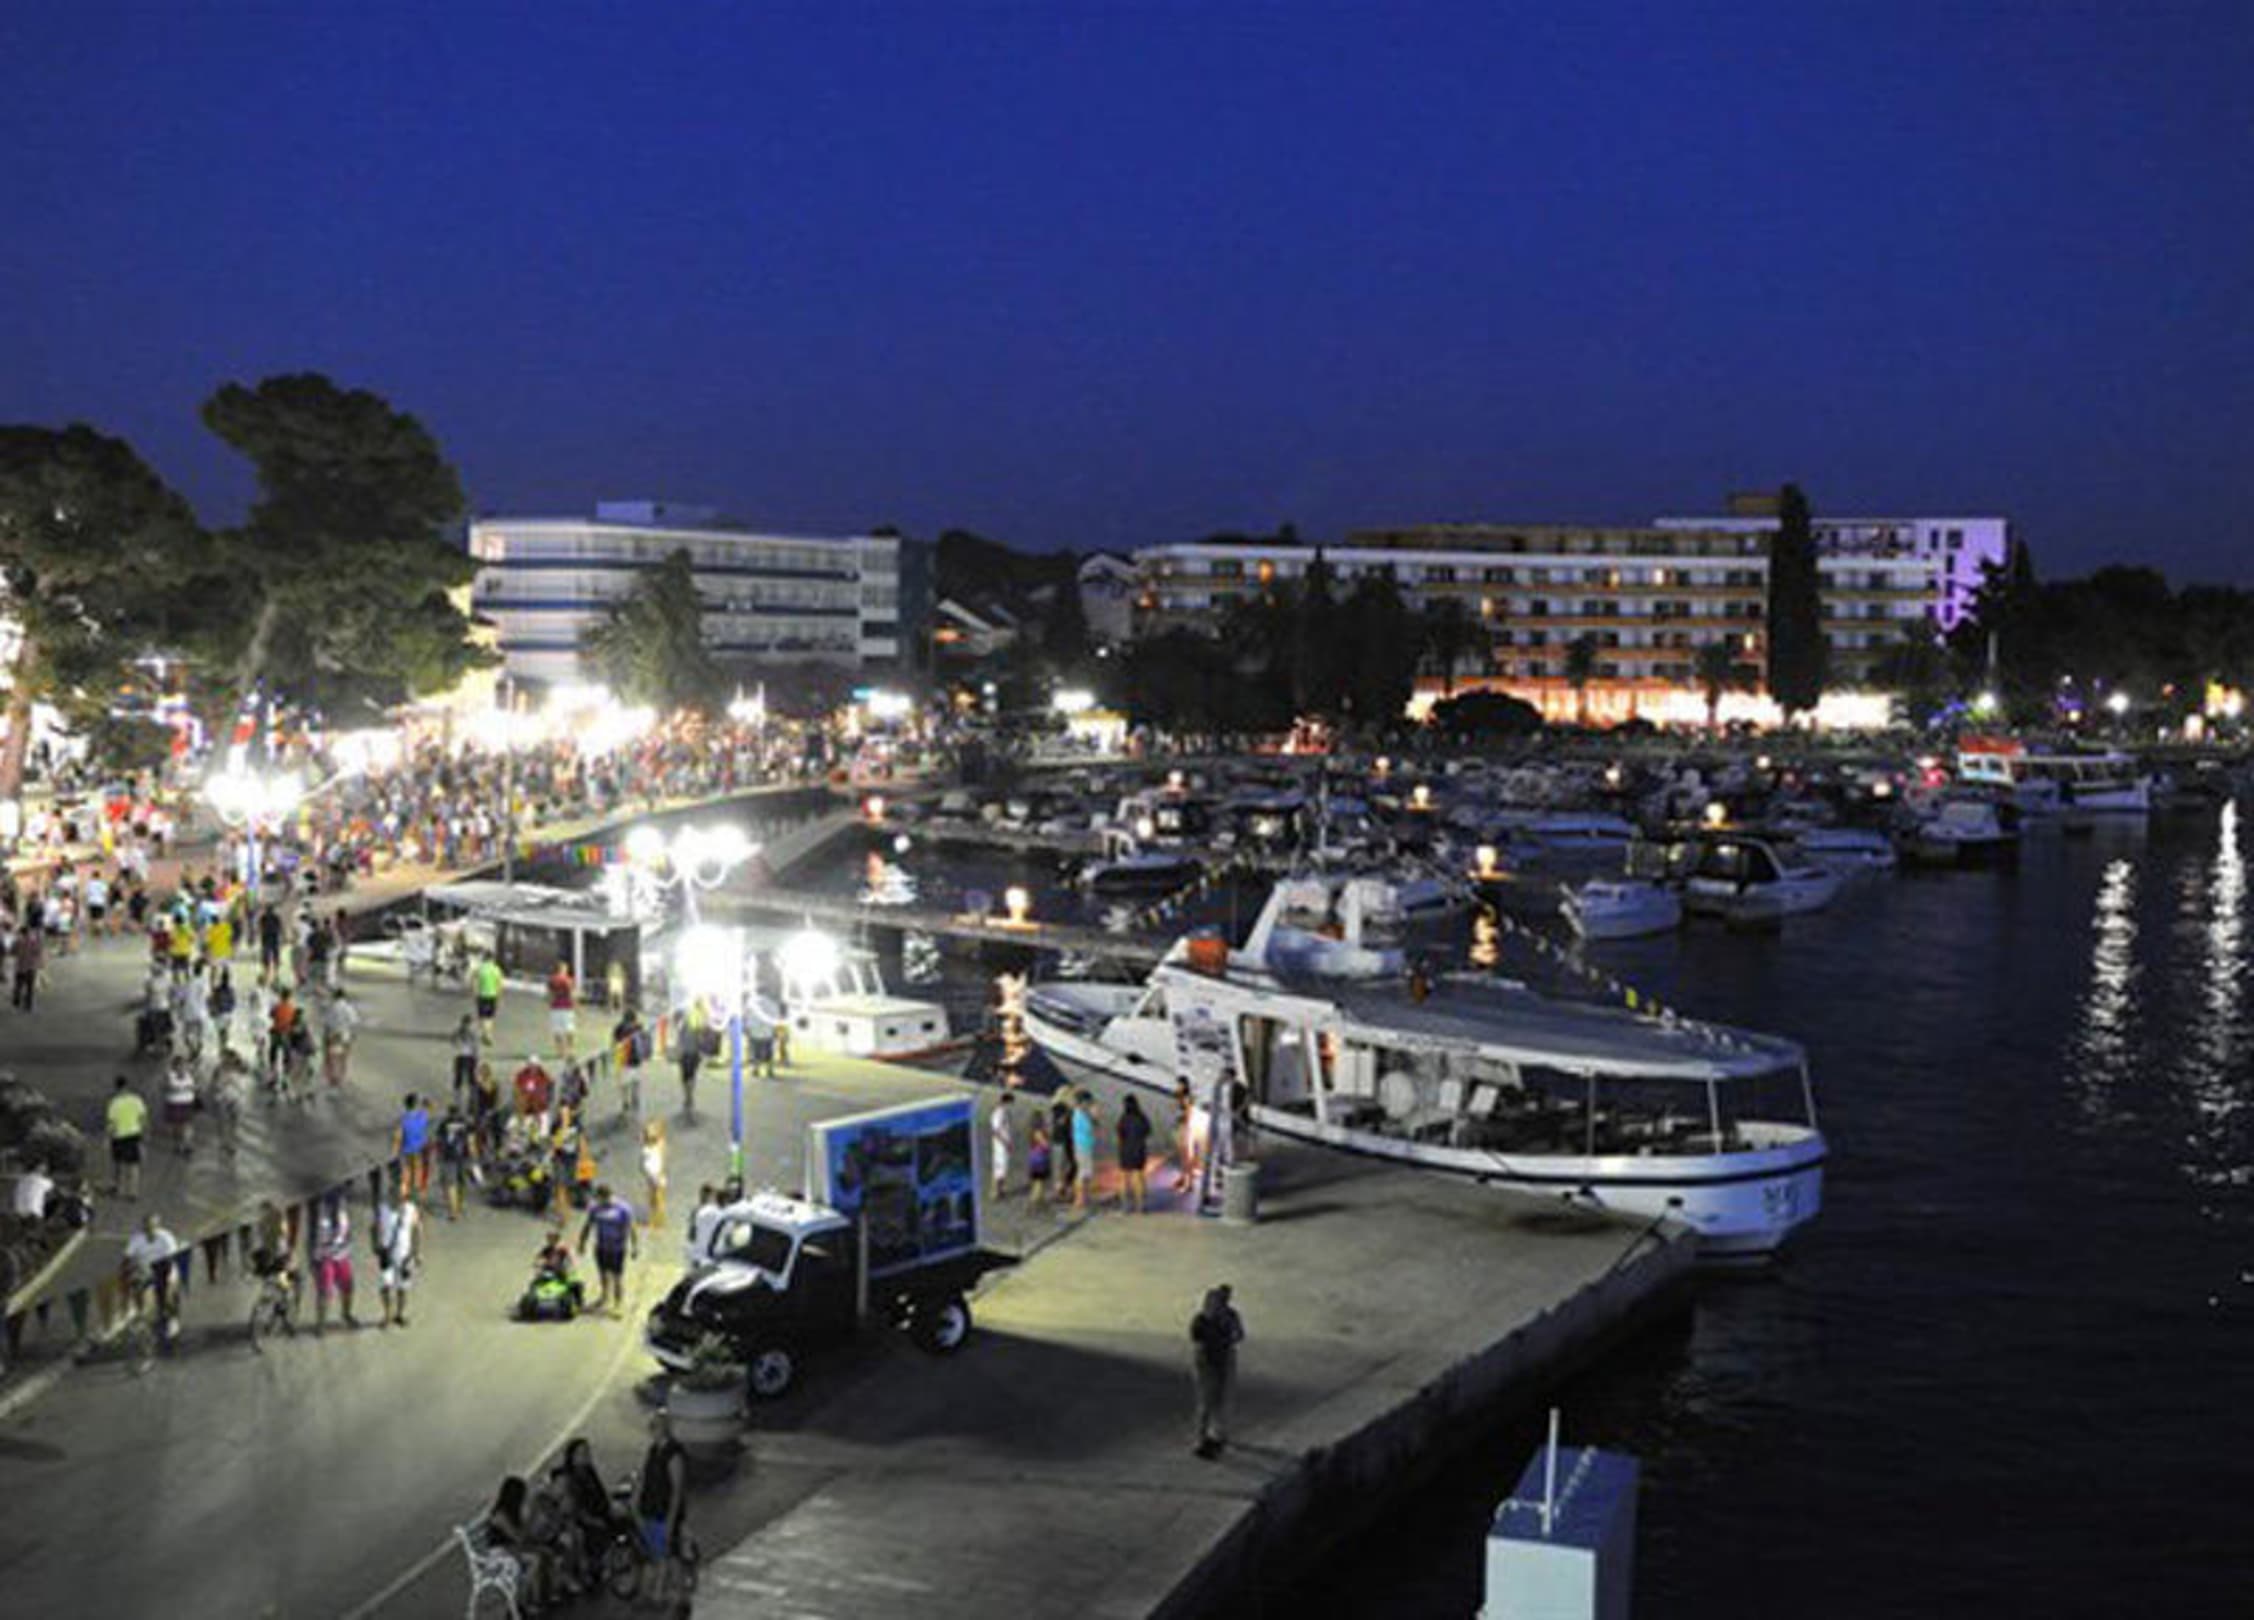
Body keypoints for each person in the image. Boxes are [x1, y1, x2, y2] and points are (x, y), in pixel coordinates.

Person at [484, 1475, 562, 1612]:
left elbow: (522, 1536)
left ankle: (546, 1594)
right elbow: (518, 1537)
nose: (524, 1498)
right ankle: (525, 1601)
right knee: (535, 1560)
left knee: (546, 1553)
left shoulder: (513, 1511)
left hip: (512, 1547)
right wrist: (530, 1518)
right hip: (500, 1552)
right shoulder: (500, 1515)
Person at [1190, 1283, 1245, 1459]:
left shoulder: (1228, 1315)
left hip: (1221, 1358)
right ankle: (1205, 1436)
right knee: (1208, 1400)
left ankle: (1217, 1435)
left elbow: (1239, 1335)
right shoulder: (1205, 1318)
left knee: (1220, 1399)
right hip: (1209, 1360)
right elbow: (1196, 1336)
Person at [634, 1411, 689, 1585]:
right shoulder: (653, 1450)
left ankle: (666, 1591)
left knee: (668, 1554)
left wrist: (671, 1520)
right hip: (650, 1508)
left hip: (664, 1512)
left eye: (656, 1426)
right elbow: (644, 1477)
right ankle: (661, 1589)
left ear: (665, 1428)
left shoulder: (674, 1454)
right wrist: (636, 1500)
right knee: (657, 1553)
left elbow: (676, 1490)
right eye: (651, 1426)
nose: (652, 1430)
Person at [123, 1211, 182, 1355]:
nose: (150, 1230)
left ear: (157, 1226)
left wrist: (164, 1277)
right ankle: (139, 1314)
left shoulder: (166, 1238)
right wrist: (130, 1273)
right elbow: (127, 1259)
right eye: (147, 1227)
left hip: (164, 1268)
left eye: (153, 1227)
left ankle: (171, 1317)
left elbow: (170, 1260)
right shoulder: (137, 1239)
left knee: (168, 1289)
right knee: (135, 1285)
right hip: (145, 1269)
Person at [578, 1182, 637, 1317]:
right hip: (601, 1246)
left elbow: (631, 1228)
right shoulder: (595, 1208)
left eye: (601, 1199)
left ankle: (618, 1304)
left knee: (617, 1277)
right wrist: (582, 1243)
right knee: (603, 1274)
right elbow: (588, 1225)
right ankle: (604, 1297)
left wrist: (635, 1246)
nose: (600, 1202)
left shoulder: (623, 1209)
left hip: (617, 1248)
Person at [373, 1189, 421, 1328]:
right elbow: (374, 1227)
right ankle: (387, 1315)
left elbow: (417, 1230)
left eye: (402, 1194)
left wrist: (417, 1252)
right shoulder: (382, 1209)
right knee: (385, 1284)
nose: (399, 1197)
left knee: (403, 1287)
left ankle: (400, 1314)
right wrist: (375, 1245)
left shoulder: (411, 1209)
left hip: (404, 1254)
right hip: (387, 1253)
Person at [311, 1194, 358, 1330]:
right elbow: (314, 1236)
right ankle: (321, 1323)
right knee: (325, 1292)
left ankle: (346, 1314)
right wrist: (314, 1259)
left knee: (348, 1287)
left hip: (342, 1255)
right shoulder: (320, 1213)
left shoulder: (343, 1211)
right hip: (325, 1257)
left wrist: (348, 1246)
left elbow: (348, 1231)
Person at [107, 1075, 148, 1199]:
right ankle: (133, 1191)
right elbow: (142, 1118)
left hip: (119, 1136)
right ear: (127, 1086)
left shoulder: (114, 1103)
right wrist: (144, 1134)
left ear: (116, 1088)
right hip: (134, 1135)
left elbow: (112, 1124)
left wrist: (108, 1138)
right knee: (134, 1164)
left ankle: (118, 1189)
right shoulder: (136, 1100)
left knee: (118, 1163)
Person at [209, 1043, 252, 1160]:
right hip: (222, 1098)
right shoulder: (218, 1069)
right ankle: (224, 1142)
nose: (224, 1060)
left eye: (227, 1057)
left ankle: (231, 1143)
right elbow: (213, 1084)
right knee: (223, 1122)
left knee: (235, 1122)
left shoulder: (240, 1067)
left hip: (237, 1098)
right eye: (223, 1057)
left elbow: (247, 1072)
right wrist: (217, 1090)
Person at [435, 1098, 474, 1220]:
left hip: (448, 1156)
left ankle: (453, 1212)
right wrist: (474, 1156)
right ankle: (459, 1204)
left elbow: (439, 1141)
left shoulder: (443, 1124)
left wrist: (439, 1156)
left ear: (449, 1112)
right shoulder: (466, 1123)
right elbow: (471, 1141)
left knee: (451, 1184)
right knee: (461, 1181)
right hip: (463, 1156)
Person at [612, 1003, 649, 1120]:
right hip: (637, 1061)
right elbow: (644, 1041)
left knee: (624, 1084)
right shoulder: (639, 1027)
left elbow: (614, 1042)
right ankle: (635, 1097)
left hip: (624, 1061)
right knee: (636, 1082)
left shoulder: (619, 1027)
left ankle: (625, 1101)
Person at [1117, 1094, 1153, 1213]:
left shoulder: (1123, 1118)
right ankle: (1140, 1205)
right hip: (1139, 1149)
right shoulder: (1142, 1118)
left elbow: (1120, 1133)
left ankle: (1125, 1205)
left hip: (1126, 1150)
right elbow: (1148, 1132)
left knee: (1124, 1178)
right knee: (1139, 1177)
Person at [394, 1092, 434, 1197]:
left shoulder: (403, 1119)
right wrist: (425, 1102)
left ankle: (404, 1195)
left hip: (406, 1149)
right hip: (419, 1149)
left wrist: (395, 1151)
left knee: (406, 1173)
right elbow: (430, 1107)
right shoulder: (422, 1116)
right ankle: (416, 1194)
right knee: (417, 1172)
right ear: (416, 1104)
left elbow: (398, 1136)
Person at [162, 1052, 199, 1157]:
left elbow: (195, 1086)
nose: (182, 1067)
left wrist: (194, 1088)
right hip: (174, 1103)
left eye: (184, 1065)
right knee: (176, 1126)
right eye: (180, 1065)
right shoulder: (169, 1075)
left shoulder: (189, 1074)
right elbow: (166, 1087)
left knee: (187, 1124)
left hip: (187, 1103)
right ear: (174, 1066)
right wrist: (181, 1088)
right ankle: (178, 1144)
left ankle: (188, 1145)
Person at [1071, 1090, 1100, 1213]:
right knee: (1083, 1172)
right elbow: (1091, 1128)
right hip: (1082, 1145)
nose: (1089, 1105)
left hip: (1084, 1144)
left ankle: (1084, 1197)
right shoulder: (1079, 1114)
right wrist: (1094, 1117)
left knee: (1085, 1172)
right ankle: (1079, 1199)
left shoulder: (1081, 1113)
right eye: (1088, 1102)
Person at [1050, 1090, 1077, 1205]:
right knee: (1061, 1166)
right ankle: (1060, 1190)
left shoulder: (1066, 1110)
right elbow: (1061, 1122)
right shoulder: (1060, 1109)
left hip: (1065, 1140)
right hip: (1061, 1140)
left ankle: (1064, 1188)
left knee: (1068, 1165)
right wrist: (1068, 1113)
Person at [685, 1184, 722, 1269]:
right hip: (700, 1248)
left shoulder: (711, 1210)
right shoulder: (698, 1210)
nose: (703, 1197)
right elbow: (692, 1232)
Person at [640, 1119, 667, 1230]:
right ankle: (655, 1219)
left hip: (656, 1175)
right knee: (653, 1198)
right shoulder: (649, 1146)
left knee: (657, 1198)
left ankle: (658, 1220)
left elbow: (659, 1161)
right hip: (651, 1175)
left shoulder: (658, 1145)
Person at [546, 959, 577, 1058]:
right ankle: (571, 1050)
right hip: (567, 1007)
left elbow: (549, 995)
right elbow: (572, 994)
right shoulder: (568, 980)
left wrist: (550, 1003)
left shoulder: (552, 980)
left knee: (557, 1030)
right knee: (569, 1029)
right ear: (564, 969)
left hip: (555, 1008)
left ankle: (560, 1051)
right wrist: (575, 1004)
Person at [472, 952, 503, 1043]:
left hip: (482, 995)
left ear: (484, 958)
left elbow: (474, 982)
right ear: (492, 959)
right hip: (492, 996)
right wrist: (499, 998)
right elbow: (499, 985)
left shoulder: (479, 969)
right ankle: (487, 1034)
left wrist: (474, 994)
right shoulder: (496, 970)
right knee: (490, 1016)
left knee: (482, 1016)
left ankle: (486, 1034)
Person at [988, 1093, 1014, 1201]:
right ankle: (994, 1192)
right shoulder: (998, 1113)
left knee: (1003, 1168)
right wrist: (1005, 1143)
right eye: (1011, 1103)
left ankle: (1000, 1190)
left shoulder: (1004, 1112)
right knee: (998, 1169)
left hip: (1004, 1144)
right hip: (1000, 1146)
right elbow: (995, 1131)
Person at [450, 1014, 480, 1105]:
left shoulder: (472, 1033)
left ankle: (472, 1097)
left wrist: (476, 1056)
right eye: (466, 1023)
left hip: (469, 1057)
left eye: (468, 1024)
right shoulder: (458, 1032)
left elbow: (476, 1045)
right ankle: (457, 1098)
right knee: (459, 1078)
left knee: (471, 1078)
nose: (467, 1026)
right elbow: (453, 1041)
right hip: (460, 1056)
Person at [514, 1054, 554, 1122]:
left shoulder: (543, 1075)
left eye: (535, 1065)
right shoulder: (522, 1075)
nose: (533, 1067)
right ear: (528, 1065)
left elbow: (550, 1083)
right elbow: (516, 1087)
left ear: (538, 1066)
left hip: (540, 1108)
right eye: (531, 1064)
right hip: (526, 1108)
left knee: (542, 1117)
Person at [11, 920, 41, 1010]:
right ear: (28, 932)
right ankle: (28, 1004)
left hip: (20, 967)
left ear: (21, 932)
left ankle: (16, 999)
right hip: (30, 967)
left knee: (18, 985)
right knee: (30, 987)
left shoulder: (17, 941)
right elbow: (37, 952)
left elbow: (12, 951)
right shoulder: (33, 941)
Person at [1026, 1117, 1052, 1209]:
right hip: (1039, 1161)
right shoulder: (1039, 1133)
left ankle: (1040, 1202)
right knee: (1039, 1183)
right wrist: (1047, 1141)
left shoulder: (1032, 1132)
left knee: (1039, 1183)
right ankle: (1033, 1203)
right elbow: (1046, 1146)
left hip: (1034, 1160)